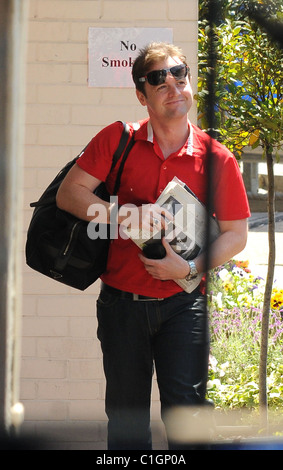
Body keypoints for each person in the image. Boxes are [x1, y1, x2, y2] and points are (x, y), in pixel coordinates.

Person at [56, 42, 250, 450]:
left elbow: (236, 234)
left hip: (185, 306)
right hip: (121, 305)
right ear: (142, 96)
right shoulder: (118, 138)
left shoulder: (218, 158)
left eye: (179, 74)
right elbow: (69, 195)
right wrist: (124, 215)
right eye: (158, 79)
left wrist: (190, 269)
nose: (173, 85)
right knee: (126, 423)